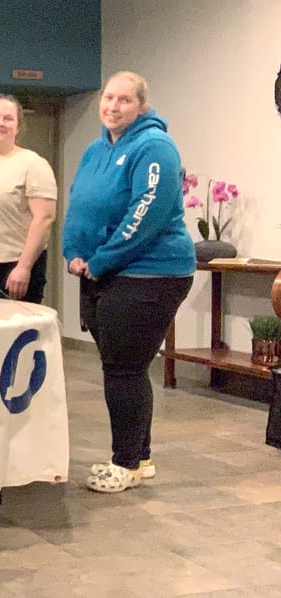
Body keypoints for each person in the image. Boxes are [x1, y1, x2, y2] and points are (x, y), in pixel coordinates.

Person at [63, 71, 194, 494]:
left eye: (124, 100)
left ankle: (126, 462)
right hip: (104, 271)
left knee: (123, 368)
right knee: (127, 369)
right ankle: (142, 456)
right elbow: (80, 202)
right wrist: (73, 252)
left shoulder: (155, 146)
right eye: (108, 98)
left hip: (150, 273)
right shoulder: (97, 147)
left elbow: (147, 213)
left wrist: (101, 261)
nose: (113, 106)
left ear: (142, 106)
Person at [0, 95, 57, 302]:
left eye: (8, 118)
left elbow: (44, 218)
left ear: (18, 127)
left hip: (14, 269)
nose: (0, 123)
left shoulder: (33, 163)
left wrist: (23, 267)